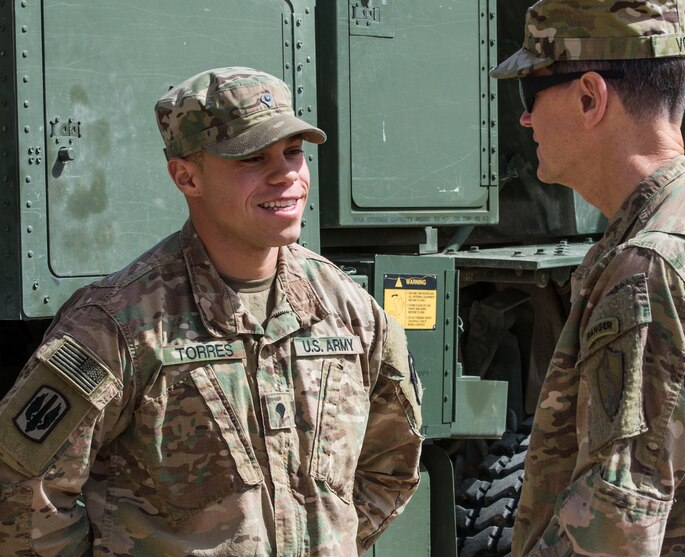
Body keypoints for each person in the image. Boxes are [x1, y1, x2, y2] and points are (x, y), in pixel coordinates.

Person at [0, 67, 423, 556]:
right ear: (186, 176)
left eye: (293, 152)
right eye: (252, 157)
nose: (286, 173)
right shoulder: (117, 325)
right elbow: (24, 494)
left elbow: (391, 464)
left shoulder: (350, 311)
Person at [491, 1, 685, 555]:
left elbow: (616, 528)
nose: (525, 118)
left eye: (530, 93)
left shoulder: (652, 267)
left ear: (589, 97)